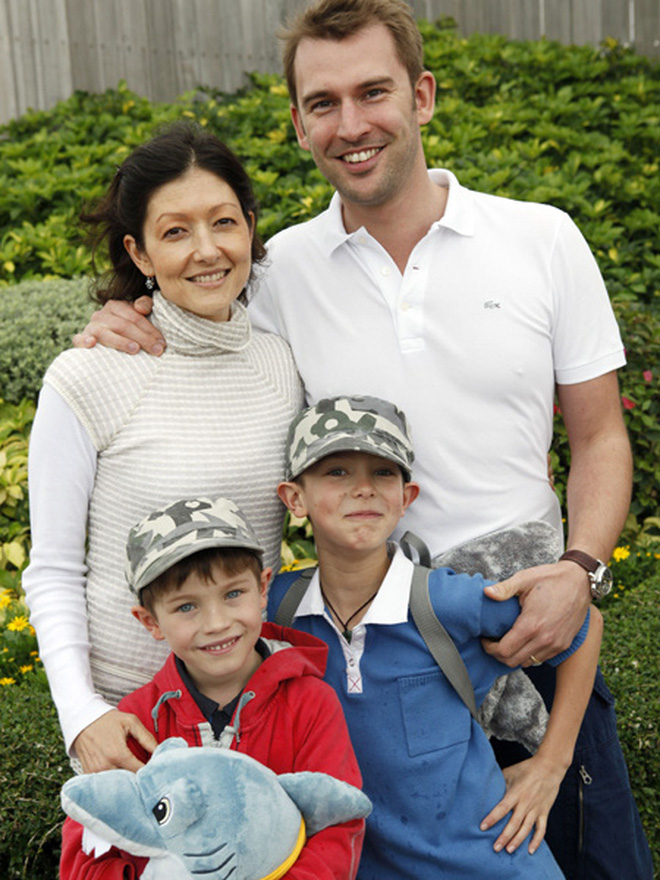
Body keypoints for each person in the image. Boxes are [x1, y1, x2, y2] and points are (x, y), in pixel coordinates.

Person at [70, 2, 652, 876]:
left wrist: (582, 571)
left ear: (422, 95)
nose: (351, 125)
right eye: (323, 103)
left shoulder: (541, 239)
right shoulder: (278, 275)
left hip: (528, 629)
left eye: (373, 92)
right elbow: (201, 329)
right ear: (296, 121)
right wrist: (123, 317)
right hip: (372, 670)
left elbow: (601, 437)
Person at [22, 123, 304, 775]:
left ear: (250, 228)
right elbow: (53, 568)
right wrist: (81, 716)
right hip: (131, 728)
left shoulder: (283, 367)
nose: (207, 250)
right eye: (175, 232)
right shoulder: (88, 375)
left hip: (256, 724)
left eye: (223, 222)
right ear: (140, 252)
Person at [268, 394, 601, 879]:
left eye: (383, 473)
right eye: (336, 472)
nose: (363, 489)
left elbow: (585, 625)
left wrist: (552, 763)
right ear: (293, 498)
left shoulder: (446, 602)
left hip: (491, 864)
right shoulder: (279, 611)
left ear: (407, 497)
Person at [60, 495, 365, 879]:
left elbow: (338, 825)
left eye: (233, 594)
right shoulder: (136, 721)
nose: (217, 623)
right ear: (150, 621)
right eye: (186, 606)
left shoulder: (311, 704)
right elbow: (86, 849)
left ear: (263, 588)